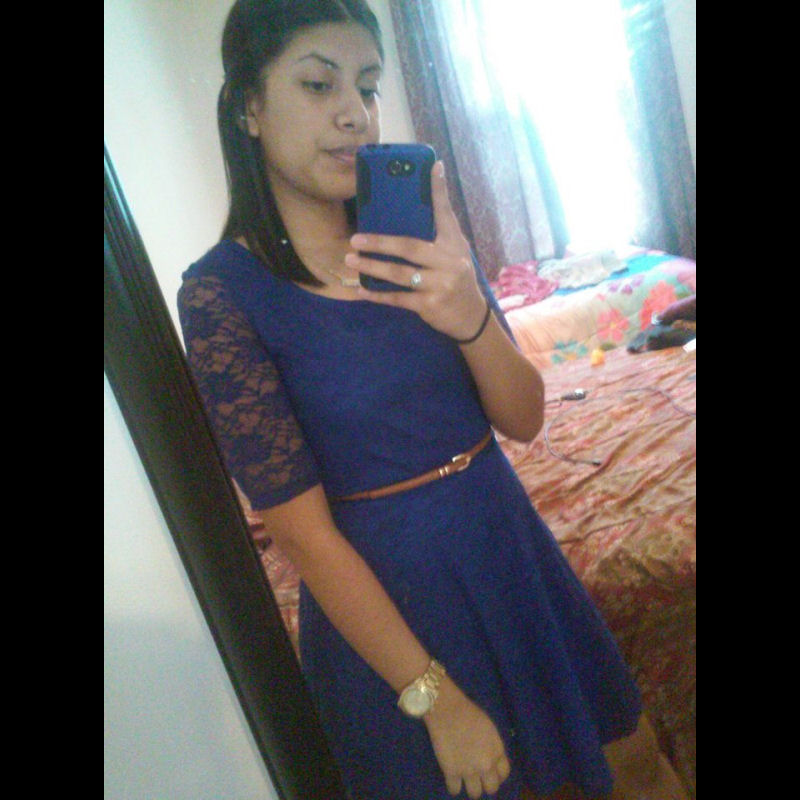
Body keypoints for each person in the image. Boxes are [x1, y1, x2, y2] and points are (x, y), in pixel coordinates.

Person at [177, 1, 689, 798]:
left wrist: (470, 313)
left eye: (368, 86)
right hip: (394, 598)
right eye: (318, 84)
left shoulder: (422, 242)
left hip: (511, 548)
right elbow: (303, 538)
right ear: (248, 107)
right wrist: (435, 698)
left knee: (637, 764)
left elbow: (524, 418)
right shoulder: (222, 296)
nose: (355, 113)